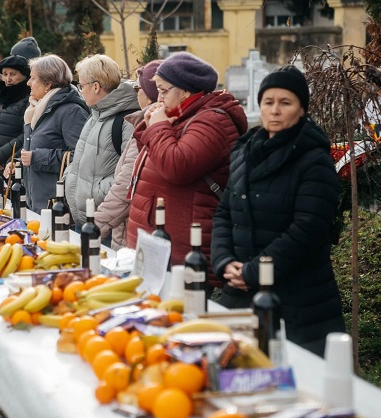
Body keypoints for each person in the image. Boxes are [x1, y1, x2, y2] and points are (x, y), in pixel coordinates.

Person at [211, 65, 345, 356]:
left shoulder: (314, 161)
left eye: (285, 103)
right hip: (240, 291)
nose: (275, 111)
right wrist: (224, 261)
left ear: (301, 109)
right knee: (234, 377)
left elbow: (308, 230)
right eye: (268, 102)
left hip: (297, 301)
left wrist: (254, 271)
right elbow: (225, 212)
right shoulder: (244, 151)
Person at [125, 52, 248, 292]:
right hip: (162, 242)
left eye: (163, 90)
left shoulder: (212, 122)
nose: (158, 98)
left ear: (186, 91)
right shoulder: (182, 116)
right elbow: (153, 159)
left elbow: (176, 166)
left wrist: (159, 126)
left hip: (187, 250)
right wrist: (151, 125)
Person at [65, 54, 139, 228]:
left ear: (96, 87)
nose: (80, 90)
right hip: (83, 218)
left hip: (106, 224)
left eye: (81, 85)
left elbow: (130, 174)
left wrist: (96, 192)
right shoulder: (95, 116)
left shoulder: (127, 121)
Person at [95, 59, 161, 249]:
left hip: (132, 235)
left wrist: (95, 228)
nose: (135, 93)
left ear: (149, 94)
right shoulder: (143, 124)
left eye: (137, 88)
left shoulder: (146, 128)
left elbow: (126, 185)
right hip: (129, 228)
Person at [21, 55, 89, 213]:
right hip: (37, 200)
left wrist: (36, 158)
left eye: (32, 78)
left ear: (48, 84)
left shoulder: (71, 111)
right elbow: (38, 146)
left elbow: (80, 157)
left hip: (56, 204)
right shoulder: (36, 109)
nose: (28, 83)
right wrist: (19, 162)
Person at [0, 37, 41, 175]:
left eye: (13, 74)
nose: (8, 79)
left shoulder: (31, 99)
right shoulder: (0, 97)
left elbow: (26, 135)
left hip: (11, 170)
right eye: (5, 74)